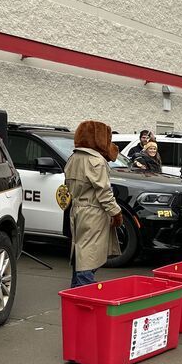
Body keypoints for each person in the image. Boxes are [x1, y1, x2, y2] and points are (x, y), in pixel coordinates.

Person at [63, 120, 124, 287]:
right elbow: (104, 191)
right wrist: (115, 212)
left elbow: (67, 184)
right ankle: (85, 293)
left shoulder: (74, 157)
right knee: (89, 257)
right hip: (94, 212)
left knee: (80, 253)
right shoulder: (96, 160)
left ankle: (76, 292)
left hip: (77, 209)